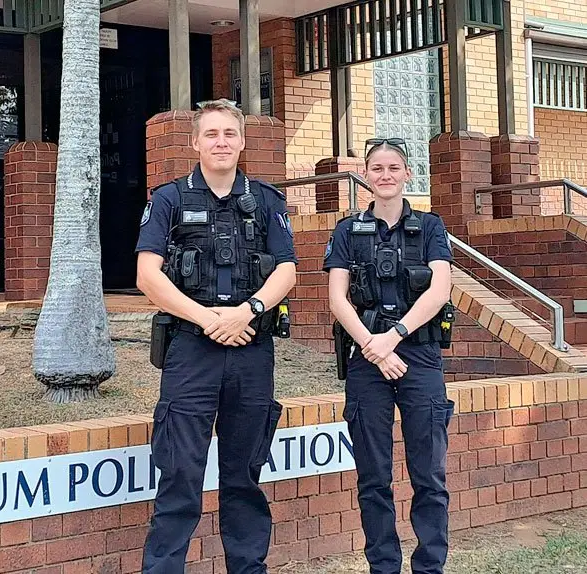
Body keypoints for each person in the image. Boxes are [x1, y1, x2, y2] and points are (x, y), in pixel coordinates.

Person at [135, 98, 297, 574]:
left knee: (244, 479)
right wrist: (209, 319)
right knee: (180, 477)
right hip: (191, 351)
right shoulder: (168, 200)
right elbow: (147, 275)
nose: (221, 142)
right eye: (211, 134)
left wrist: (248, 311)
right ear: (195, 143)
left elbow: (287, 270)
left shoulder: (267, 201)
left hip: (251, 350)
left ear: (242, 141)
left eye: (229, 133)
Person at [324, 137, 456, 574]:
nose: (385, 175)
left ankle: (430, 567)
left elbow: (440, 289)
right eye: (377, 168)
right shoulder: (346, 231)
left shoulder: (431, 227)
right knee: (373, 477)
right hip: (367, 359)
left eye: (393, 167)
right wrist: (375, 348)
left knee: (429, 476)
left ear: (407, 174)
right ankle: (383, 567)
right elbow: (338, 299)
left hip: (419, 356)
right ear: (365, 176)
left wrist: (394, 335)